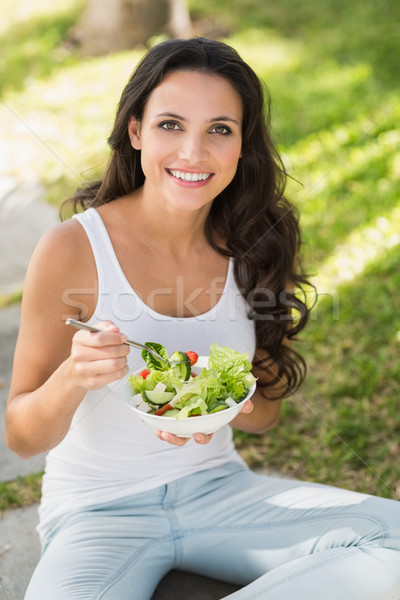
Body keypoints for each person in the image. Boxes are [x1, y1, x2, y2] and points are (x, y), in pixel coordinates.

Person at [6, 37, 400, 600]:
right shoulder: (73, 248)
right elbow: (20, 436)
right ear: (136, 131)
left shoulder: (255, 245)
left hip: (218, 492)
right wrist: (74, 376)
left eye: (219, 129)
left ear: (242, 146)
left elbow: (262, 417)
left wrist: (231, 400)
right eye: (170, 124)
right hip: (97, 514)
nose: (193, 152)